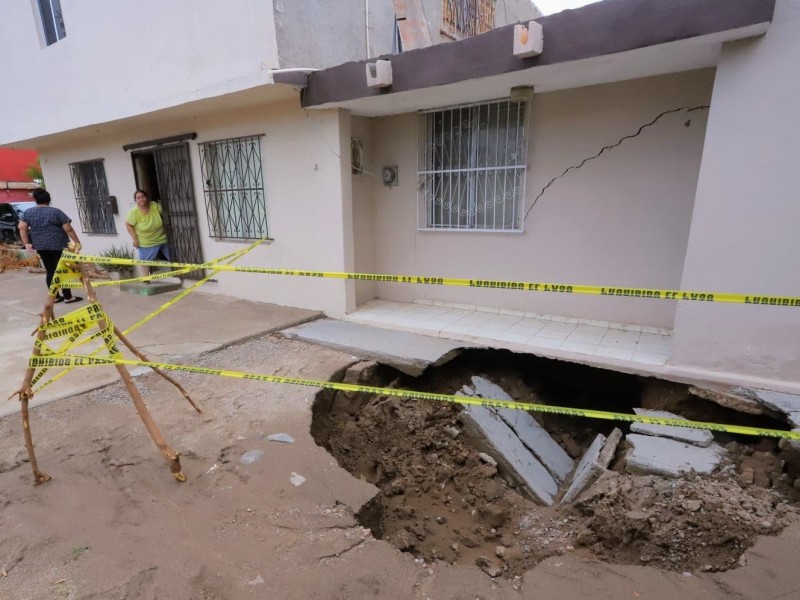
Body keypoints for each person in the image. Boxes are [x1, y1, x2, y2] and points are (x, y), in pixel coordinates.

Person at [18, 188, 83, 304]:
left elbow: (21, 227)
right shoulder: (56, 212)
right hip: (59, 246)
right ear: (49, 199)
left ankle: (56, 296)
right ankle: (68, 297)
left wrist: (27, 243)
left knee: (50, 270)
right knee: (62, 270)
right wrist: (77, 242)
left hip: (41, 246)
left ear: (36, 200)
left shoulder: (28, 212)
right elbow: (68, 228)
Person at [125, 189, 171, 279]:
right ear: (136, 200)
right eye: (138, 198)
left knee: (175, 257)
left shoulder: (154, 205)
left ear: (147, 198)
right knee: (145, 262)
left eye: (143, 197)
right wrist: (135, 239)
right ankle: (145, 280)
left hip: (162, 237)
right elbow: (128, 225)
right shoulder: (134, 212)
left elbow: (164, 212)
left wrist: (163, 204)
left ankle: (184, 274)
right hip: (146, 241)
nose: (141, 199)